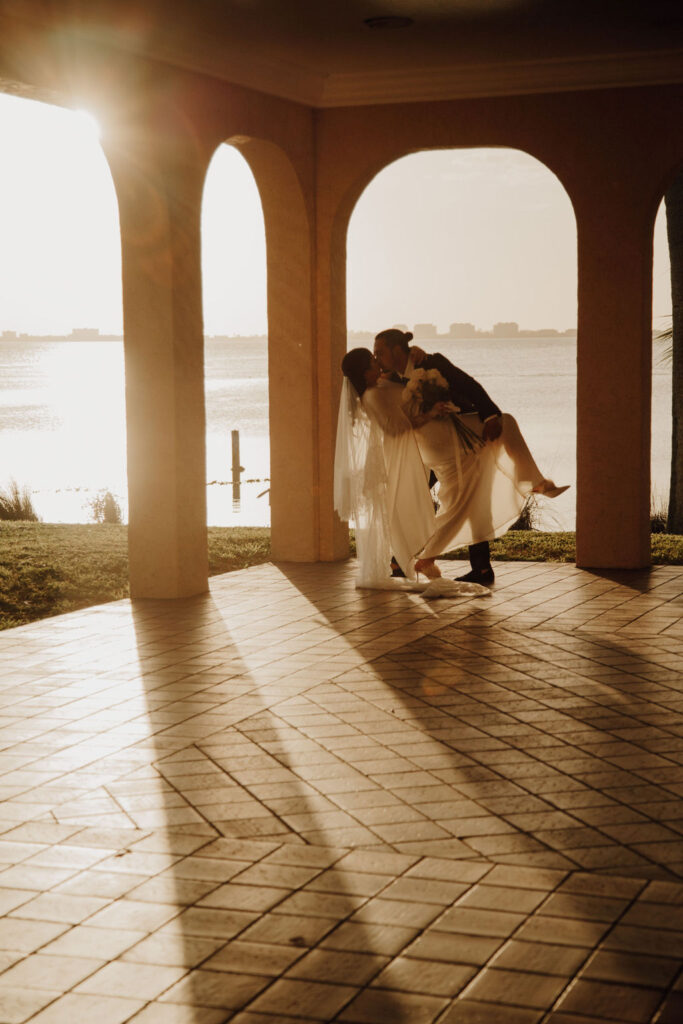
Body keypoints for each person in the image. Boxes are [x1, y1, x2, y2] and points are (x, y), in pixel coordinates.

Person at [373, 328, 568, 584]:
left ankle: (477, 568)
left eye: (380, 353)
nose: (377, 358)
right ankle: (416, 558)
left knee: (473, 493)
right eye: (375, 355)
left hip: (455, 442)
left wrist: (488, 415)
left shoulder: (432, 363)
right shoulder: (390, 377)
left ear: (398, 350)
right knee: (442, 501)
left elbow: (469, 386)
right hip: (427, 451)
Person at [334, 347, 437, 587]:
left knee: (400, 508)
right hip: (391, 459)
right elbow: (396, 427)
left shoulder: (379, 385)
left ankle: (401, 558)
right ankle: (401, 558)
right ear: (365, 371)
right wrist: (429, 414)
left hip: (399, 456)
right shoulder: (372, 395)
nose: (378, 362)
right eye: (373, 361)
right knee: (399, 508)